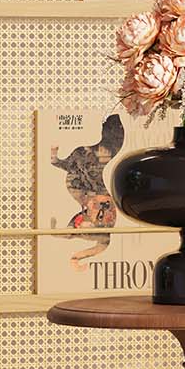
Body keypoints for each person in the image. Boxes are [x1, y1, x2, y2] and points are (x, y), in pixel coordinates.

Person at [50, 114, 125, 271]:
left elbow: (61, 164)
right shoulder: (82, 152)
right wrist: (54, 157)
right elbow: (61, 164)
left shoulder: (87, 153)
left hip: (96, 199)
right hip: (95, 198)